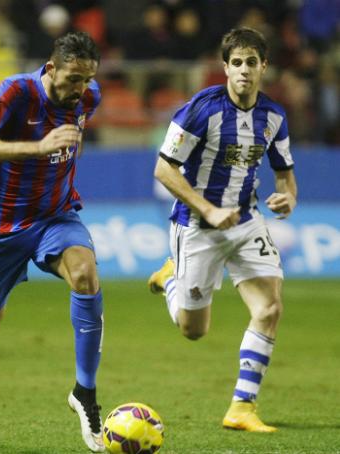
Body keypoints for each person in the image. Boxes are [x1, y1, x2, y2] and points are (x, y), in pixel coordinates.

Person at [0, 31, 106, 452]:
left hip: (55, 218)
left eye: (86, 80)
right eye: (72, 79)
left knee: (85, 273)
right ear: (51, 69)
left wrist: (62, 155)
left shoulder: (87, 98)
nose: (79, 89)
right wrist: (39, 148)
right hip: (2, 230)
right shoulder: (15, 91)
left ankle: (85, 393)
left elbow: (70, 143)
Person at [147, 27, 297, 433]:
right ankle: (170, 279)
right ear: (225, 68)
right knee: (193, 330)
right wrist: (208, 209)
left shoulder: (274, 117)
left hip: (247, 221)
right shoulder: (200, 109)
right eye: (236, 63)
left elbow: (285, 175)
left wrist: (288, 196)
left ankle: (241, 408)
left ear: (264, 66)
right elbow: (164, 168)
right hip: (197, 225)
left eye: (252, 62)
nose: (244, 70)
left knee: (269, 308)